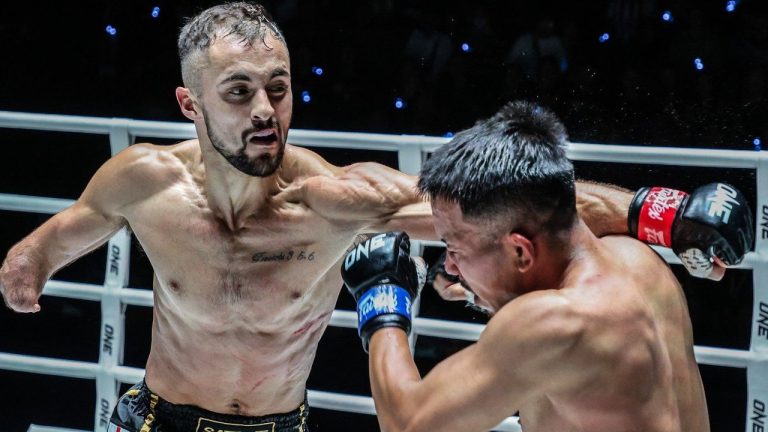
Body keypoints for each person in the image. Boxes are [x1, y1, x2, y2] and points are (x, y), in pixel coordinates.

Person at [0, 3, 744, 431]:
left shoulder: (336, 200)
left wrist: (658, 213)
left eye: (278, 88)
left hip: (279, 422)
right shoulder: (141, 181)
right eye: (238, 92)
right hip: (163, 415)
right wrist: (26, 264)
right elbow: (62, 233)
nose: (265, 111)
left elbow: (512, 199)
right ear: (189, 104)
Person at [341, 101, 753, 431]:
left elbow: (407, 424)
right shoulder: (637, 259)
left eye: (453, 247)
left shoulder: (553, 325)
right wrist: (480, 279)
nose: (448, 263)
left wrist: (381, 296)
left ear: (521, 251)